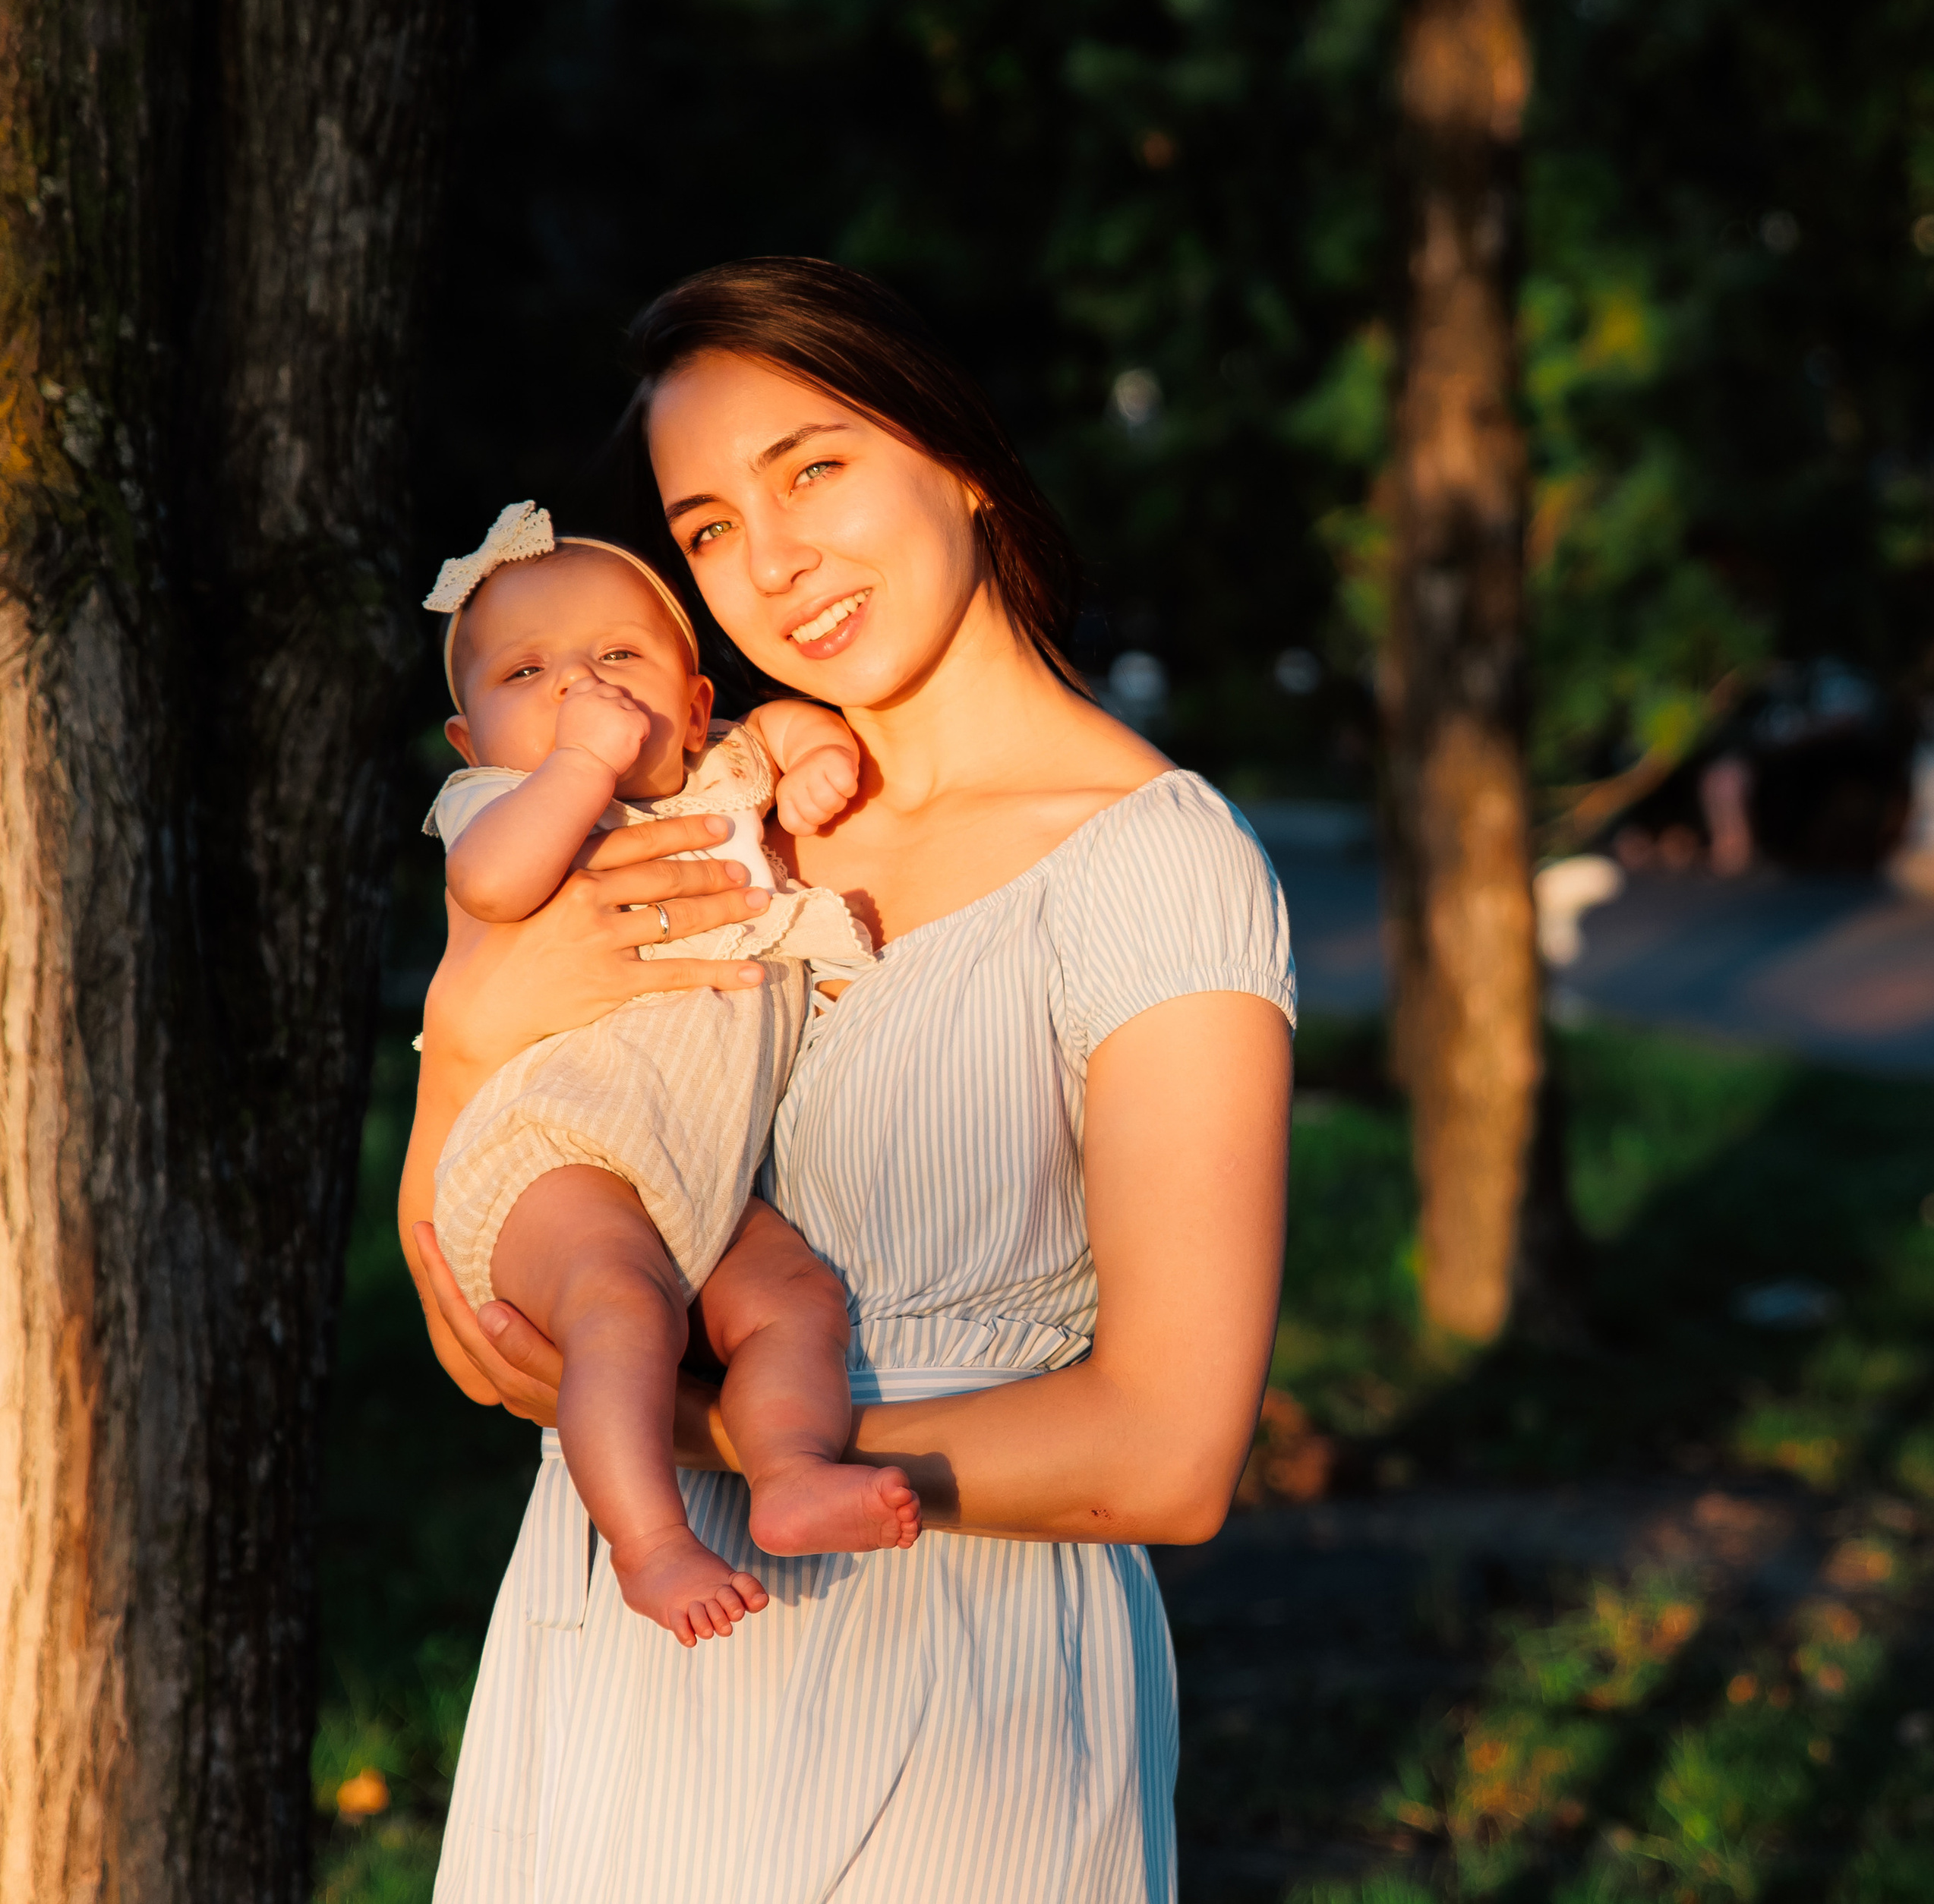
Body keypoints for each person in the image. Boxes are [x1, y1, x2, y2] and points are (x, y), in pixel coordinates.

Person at [399, 256, 1296, 1902]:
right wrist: (453, 1104)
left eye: (812, 467)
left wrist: (697, 1428)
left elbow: (1169, 1450)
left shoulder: (1152, 865)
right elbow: (481, 1230)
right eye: (710, 525)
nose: (774, 557)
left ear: (953, 455)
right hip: (620, 1659)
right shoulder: (716, 812)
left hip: (947, 1681)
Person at [420, 499, 917, 1647]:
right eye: (527, 671)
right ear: (467, 738)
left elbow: (778, 734)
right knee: (620, 1305)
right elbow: (495, 887)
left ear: (695, 710)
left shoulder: (720, 774)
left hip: (697, 1167)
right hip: (554, 1156)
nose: (576, 690)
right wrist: (581, 769)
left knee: (795, 1300)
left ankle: (789, 1472)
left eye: (619, 659)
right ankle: (646, 1541)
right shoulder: (500, 805)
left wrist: (811, 751)